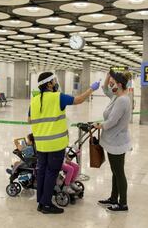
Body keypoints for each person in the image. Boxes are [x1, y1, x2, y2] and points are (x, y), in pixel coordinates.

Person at [29, 72, 100, 214]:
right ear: (49, 84)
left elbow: (29, 120)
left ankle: (41, 202)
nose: (56, 82)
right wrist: (91, 89)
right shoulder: (57, 97)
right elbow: (78, 100)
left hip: (41, 144)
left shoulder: (34, 100)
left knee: (42, 172)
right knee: (51, 173)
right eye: (54, 80)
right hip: (55, 145)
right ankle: (47, 204)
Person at [94, 70, 132, 212]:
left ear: (120, 85)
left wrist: (99, 125)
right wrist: (107, 78)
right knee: (115, 172)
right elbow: (105, 90)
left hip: (117, 142)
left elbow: (112, 121)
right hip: (113, 140)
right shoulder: (117, 97)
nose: (111, 86)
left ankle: (123, 203)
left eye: (113, 83)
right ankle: (113, 198)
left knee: (119, 173)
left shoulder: (122, 100)